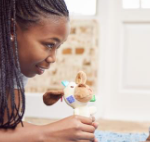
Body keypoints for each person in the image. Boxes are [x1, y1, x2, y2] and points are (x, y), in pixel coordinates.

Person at [0, 0, 98, 141]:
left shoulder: (15, 63)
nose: (53, 58)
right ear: (11, 30)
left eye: (57, 47)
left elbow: (7, 126)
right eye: (49, 44)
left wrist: (68, 132)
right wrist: (46, 133)